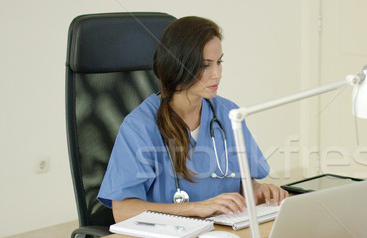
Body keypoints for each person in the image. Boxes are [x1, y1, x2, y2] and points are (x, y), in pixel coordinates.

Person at [98, 16, 288, 222]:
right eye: (205, 65)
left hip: (222, 234)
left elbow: (242, 180)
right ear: (178, 66)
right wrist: (195, 208)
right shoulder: (139, 127)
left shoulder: (229, 113)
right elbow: (123, 211)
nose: (217, 74)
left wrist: (258, 191)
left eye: (219, 62)